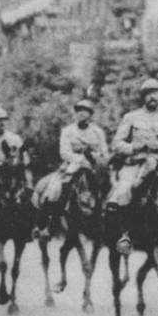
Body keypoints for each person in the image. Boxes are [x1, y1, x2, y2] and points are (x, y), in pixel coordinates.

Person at [106, 78, 158, 254]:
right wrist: (136, 147)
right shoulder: (131, 117)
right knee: (123, 191)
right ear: (143, 97)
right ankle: (125, 235)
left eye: (156, 93)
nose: (153, 97)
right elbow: (116, 143)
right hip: (136, 164)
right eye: (148, 94)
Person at [35, 99, 109, 237]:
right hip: (72, 166)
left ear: (90, 115)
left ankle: (104, 218)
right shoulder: (68, 131)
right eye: (79, 111)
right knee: (55, 187)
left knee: (108, 186)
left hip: (94, 166)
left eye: (85, 111)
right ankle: (50, 222)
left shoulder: (98, 132)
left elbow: (104, 152)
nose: (82, 114)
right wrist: (80, 160)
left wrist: (94, 156)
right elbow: (64, 152)